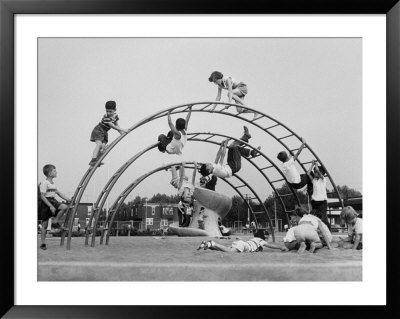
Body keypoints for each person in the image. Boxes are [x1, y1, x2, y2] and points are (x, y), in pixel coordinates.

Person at [38, 164, 71, 250]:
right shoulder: (45, 183)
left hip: (53, 200)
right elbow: (42, 196)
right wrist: (50, 206)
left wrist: (68, 199)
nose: (56, 172)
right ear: (49, 173)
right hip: (46, 203)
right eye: (54, 171)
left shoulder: (53, 184)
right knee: (44, 224)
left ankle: (55, 221)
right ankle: (43, 243)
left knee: (64, 207)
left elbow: (59, 193)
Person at [89, 100, 129, 166]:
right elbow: (112, 126)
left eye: (110, 111)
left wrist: (121, 133)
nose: (108, 113)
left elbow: (116, 125)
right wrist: (123, 130)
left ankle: (97, 159)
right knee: (99, 144)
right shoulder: (106, 117)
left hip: (104, 132)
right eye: (107, 111)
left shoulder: (115, 116)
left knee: (103, 147)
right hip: (98, 130)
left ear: (115, 110)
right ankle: (93, 160)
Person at [197, 229, 286, 252]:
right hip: (243, 246)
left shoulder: (254, 239)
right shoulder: (260, 241)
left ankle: (208, 245)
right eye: (266, 237)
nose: (267, 239)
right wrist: (280, 247)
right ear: (263, 237)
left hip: (241, 243)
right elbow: (270, 245)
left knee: (223, 249)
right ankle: (212, 243)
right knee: (229, 251)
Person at [170, 162, 197, 227]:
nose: (188, 196)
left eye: (186, 197)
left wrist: (183, 166)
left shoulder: (180, 190)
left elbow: (181, 177)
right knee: (182, 168)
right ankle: (179, 167)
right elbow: (194, 176)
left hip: (176, 182)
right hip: (184, 179)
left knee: (173, 166)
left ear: (182, 196)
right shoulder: (192, 189)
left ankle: (174, 168)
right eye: (189, 197)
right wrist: (195, 166)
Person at [307, 161, 330, 230]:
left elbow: (317, 170)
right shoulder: (314, 180)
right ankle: (315, 230)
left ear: (321, 173)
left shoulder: (323, 180)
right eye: (314, 172)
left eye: (316, 172)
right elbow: (308, 173)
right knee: (313, 216)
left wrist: (316, 165)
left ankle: (327, 230)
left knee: (323, 217)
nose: (314, 173)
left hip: (322, 202)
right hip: (314, 201)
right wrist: (312, 165)